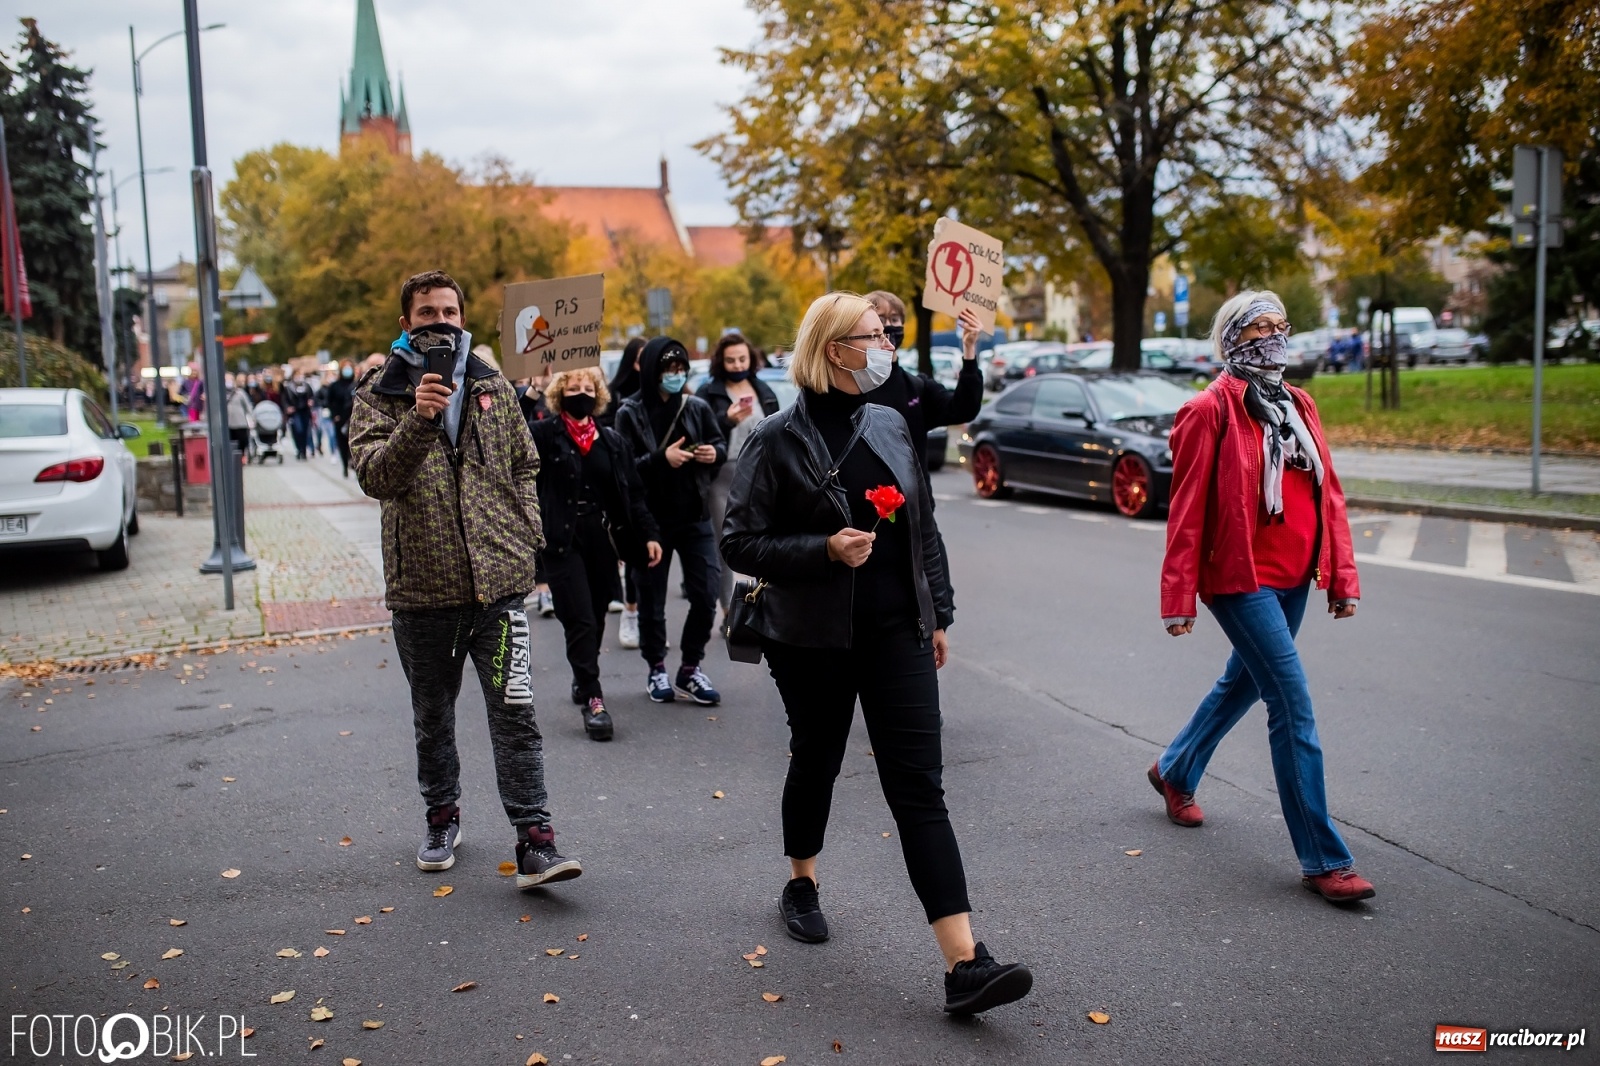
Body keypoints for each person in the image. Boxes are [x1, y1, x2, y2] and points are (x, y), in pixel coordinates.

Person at [721, 291, 1033, 1017]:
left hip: (899, 634)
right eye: (873, 337)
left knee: (919, 788)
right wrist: (823, 549)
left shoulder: (889, 422)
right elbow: (739, 541)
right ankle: (801, 881)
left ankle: (965, 964)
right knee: (817, 759)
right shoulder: (773, 438)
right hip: (811, 641)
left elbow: (924, 528)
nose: (887, 346)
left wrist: (938, 613)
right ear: (835, 350)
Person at [350, 269, 581, 891]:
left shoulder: (490, 385)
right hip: (424, 593)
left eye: (450, 312)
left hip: (498, 590)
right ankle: (441, 816)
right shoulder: (380, 391)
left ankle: (535, 840)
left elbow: (524, 464)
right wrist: (420, 418)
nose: (441, 323)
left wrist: (525, 537)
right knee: (434, 717)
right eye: (427, 313)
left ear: (463, 318)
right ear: (406, 324)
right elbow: (375, 476)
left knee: (515, 715)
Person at [1153, 290, 1372, 904]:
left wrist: (1342, 576)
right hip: (1240, 577)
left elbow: (1328, 495)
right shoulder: (1208, 410)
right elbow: (1186, 509)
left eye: (1280, 326)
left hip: (1297, 572)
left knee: (1243, 683)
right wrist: (1178, 595)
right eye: (1258, 329)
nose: (1273, 338)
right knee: (1291, 703)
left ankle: (1175, 769)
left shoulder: (1299, 403)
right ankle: (1324, 859)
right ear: (1232, 339)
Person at [530, 366, 663, 741]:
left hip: (603, 538)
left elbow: (632, 494)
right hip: (561, 539)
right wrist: (531, 391)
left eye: (588, 387)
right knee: (581, 619)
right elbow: (512, 440)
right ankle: (594, 698)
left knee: (599, 611)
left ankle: (582, 674)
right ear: (560, 393)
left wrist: (649, 534)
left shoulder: (612, 441)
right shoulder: (544, 434)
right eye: (573, 387)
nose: (582, 393)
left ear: (600, 394)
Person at [613, 337, 726, 705]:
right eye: (669, 370)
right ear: (652, 371)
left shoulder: (696, 407)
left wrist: (712, 453)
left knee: (706, 594)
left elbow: (719, 443)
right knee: (651, 601)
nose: (676, 376)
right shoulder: (629, 412)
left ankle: (690, 667)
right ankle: (657, 667)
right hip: (651, 523)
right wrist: (662, 459)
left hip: (694, 516)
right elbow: (624, 470)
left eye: (681, 370)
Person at [698, 332, 782, 607]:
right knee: (724, 543)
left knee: (764, 540)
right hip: (723, 474)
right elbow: (700, 434)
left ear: (751, 359)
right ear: (721, 362)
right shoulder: (708, 393)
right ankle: (728, 610)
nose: (737, 365)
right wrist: (726, 419)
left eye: (742, 359)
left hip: (761, 472)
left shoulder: (764, 391)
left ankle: (763, 604)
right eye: (731, 360)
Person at [607, 338, 648, 647]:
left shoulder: (666, 396)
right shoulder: (617, 396)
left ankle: (651, 621)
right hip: (625, 481)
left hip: (657, 486)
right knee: (635, 554)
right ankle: (631, 611)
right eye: (640, 359)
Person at [325, 360, 358, 477]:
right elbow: (329, 402)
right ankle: (345, 465)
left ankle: (352, 462)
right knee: (342, 443)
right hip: (340, 419)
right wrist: (334, 415)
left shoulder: (356, 384)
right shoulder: (335, 386)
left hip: (353, 418)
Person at [283, 370, 316, 460]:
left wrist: (311, 402)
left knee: (305, 431)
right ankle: (299, 449)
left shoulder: (307, 386)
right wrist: (288, 408)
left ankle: (303, 450)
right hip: (295, 412)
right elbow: (285, 399)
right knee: (298, 430)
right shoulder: (289, 387)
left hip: (305, 411)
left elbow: (312, 396)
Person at [225, 374, 252, 460]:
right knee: (231, 442)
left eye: (230, 379)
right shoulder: (222, 393)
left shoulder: (240, 393)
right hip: (228, 423)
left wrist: (251, 418)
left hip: (240, 422)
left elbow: (248, 406)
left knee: (242, 441)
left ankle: (242, 457)